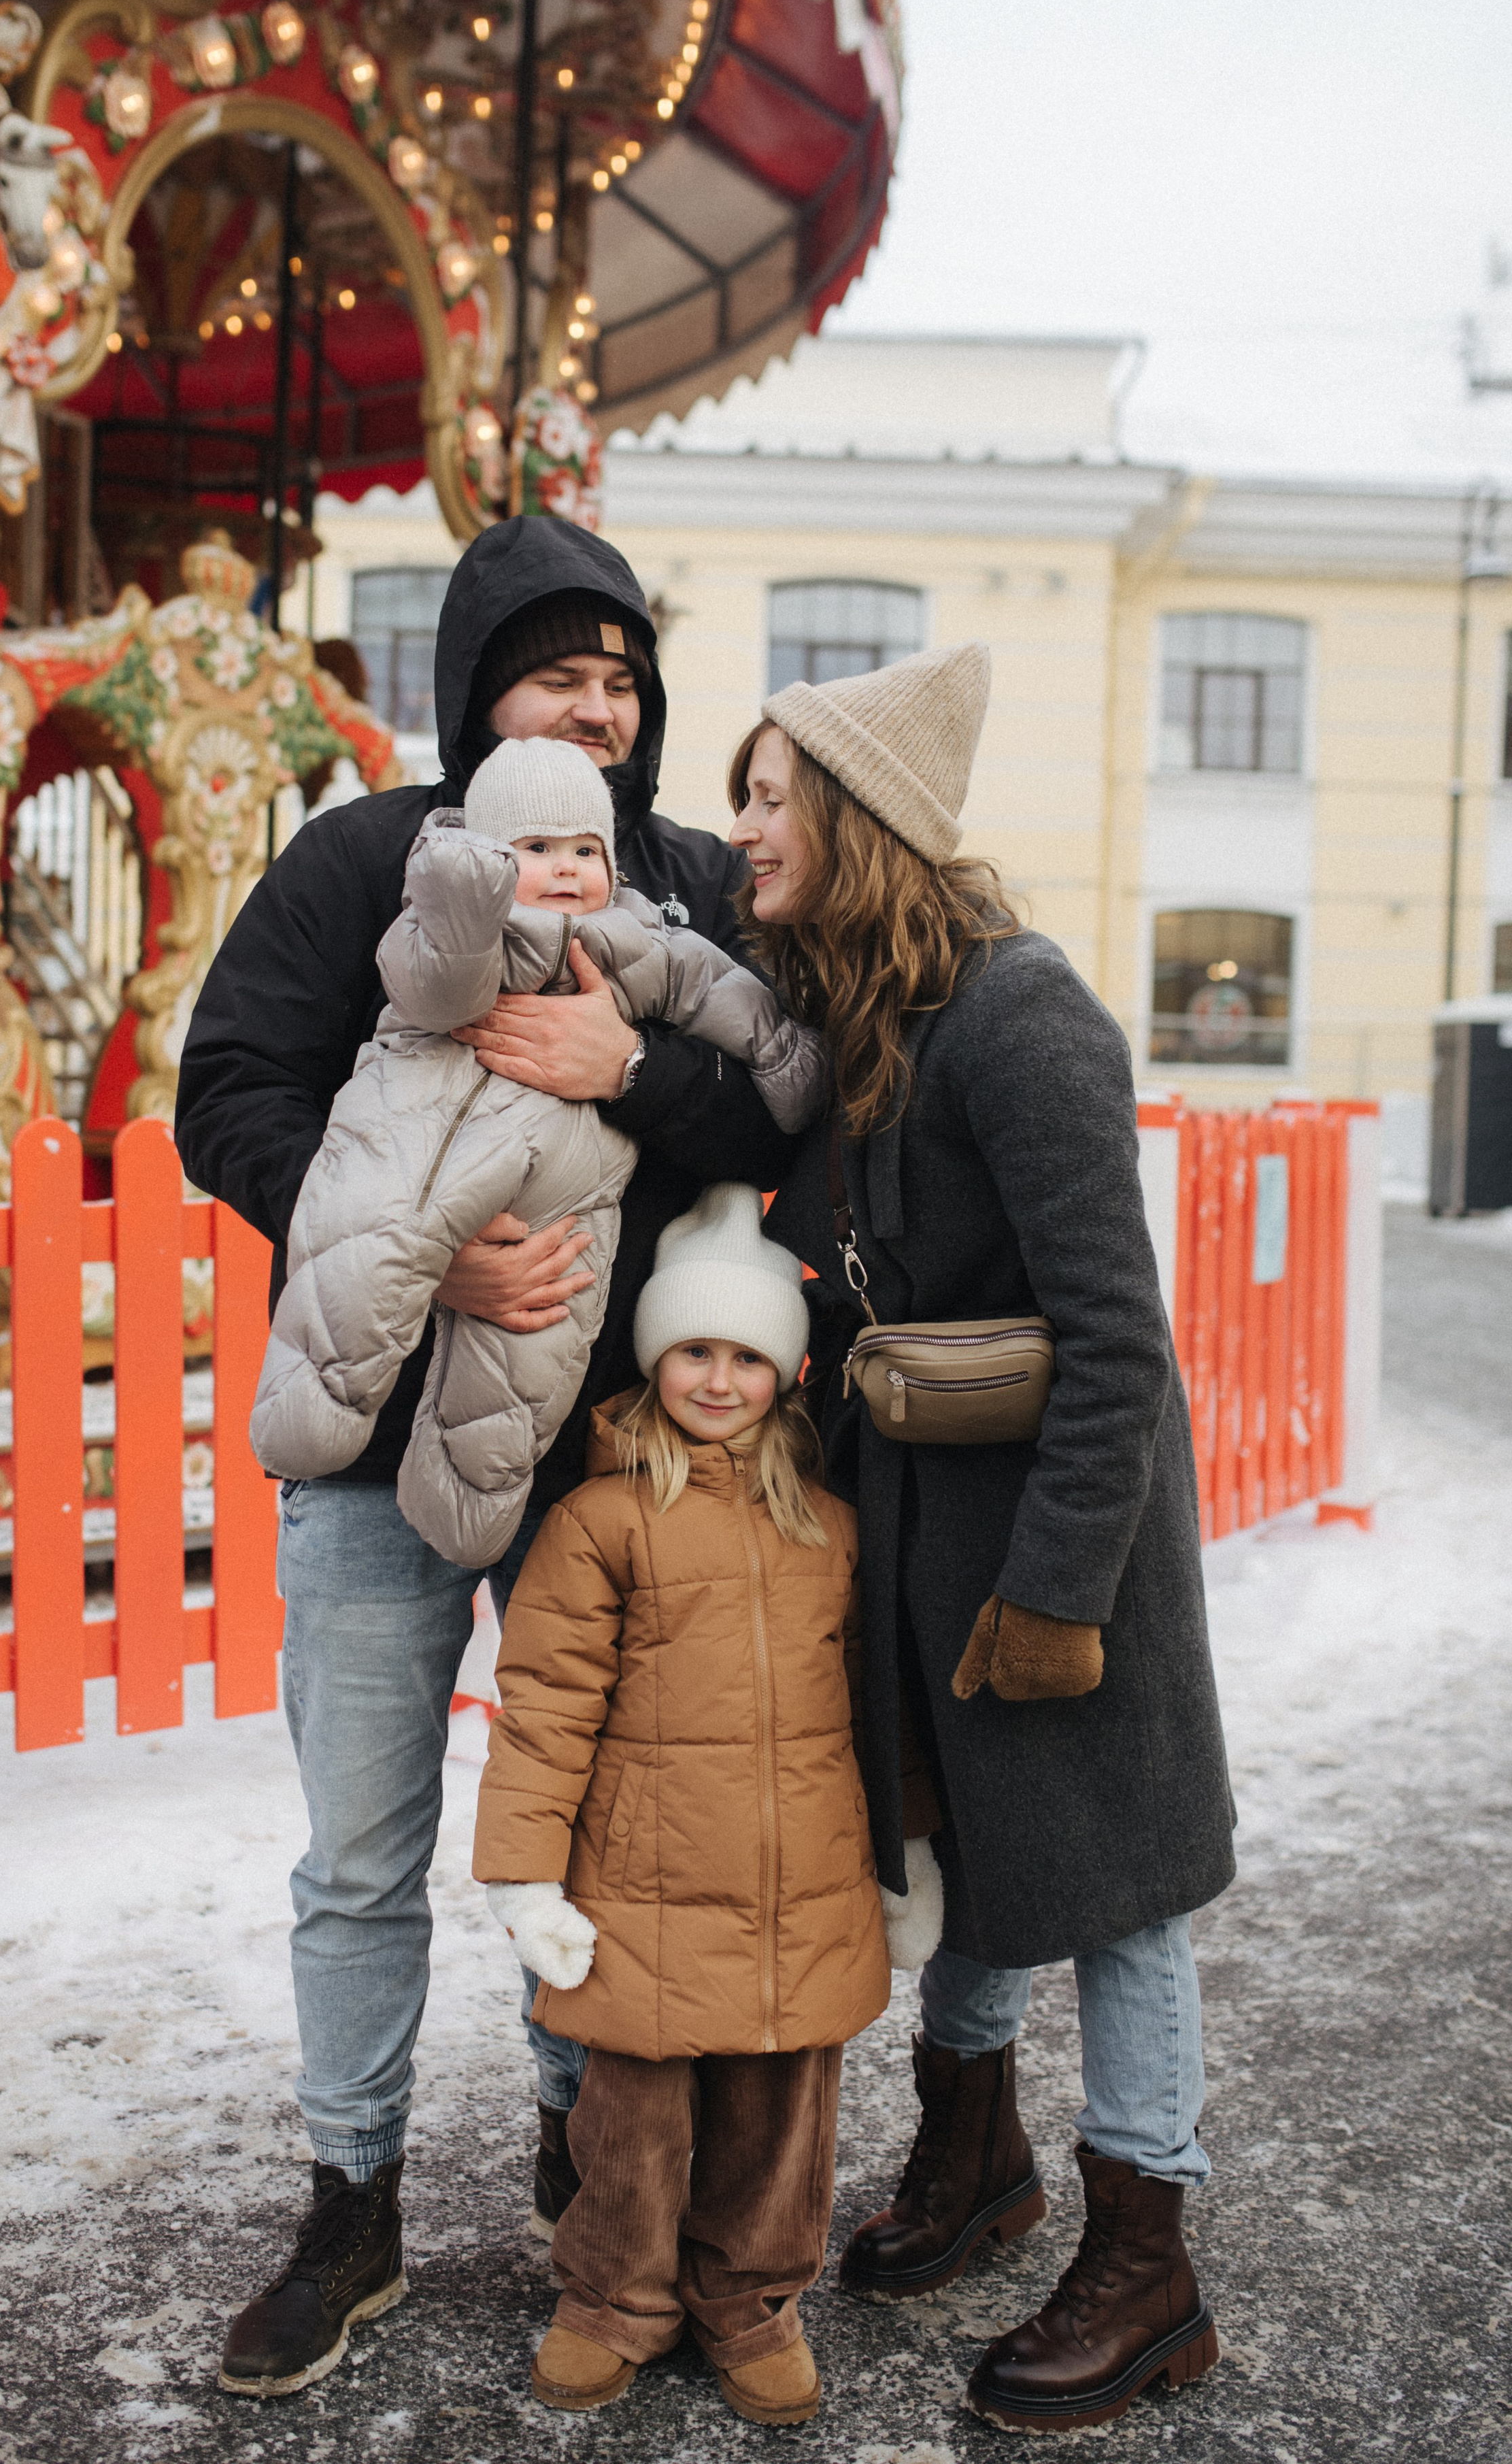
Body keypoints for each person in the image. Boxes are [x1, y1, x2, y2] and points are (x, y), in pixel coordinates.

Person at [173, 516, 796, 2398]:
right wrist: (429, 1256)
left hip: (605, 1453)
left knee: (593, 1835)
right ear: (477, 697)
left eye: (621, 679)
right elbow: (232, 1093)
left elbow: (789, 1089)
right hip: (375, 1453)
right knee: (361, 1850)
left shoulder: (677, 880)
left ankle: (587, 2166)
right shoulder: (366, 859)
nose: (596, 704)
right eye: (557, 674)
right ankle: (349, 2197)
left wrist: (638, 1075)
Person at [730, 645, 1237, 2437]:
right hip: (932, 1541)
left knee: (1116, 1897)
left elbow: (1119, 1341)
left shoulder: (1025, 1019)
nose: (744, 827)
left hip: (1059, 1556)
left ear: (860, 817)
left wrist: (1055, 1599)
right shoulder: (875, 1021)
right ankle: (979, 2154)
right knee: (979, 1864)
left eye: (772, 793)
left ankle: (1147, 2252)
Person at [473, 1185, 942, 2429]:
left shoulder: (830, 1528)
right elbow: (545, 1706)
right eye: (695, 1349)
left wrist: (907, 1857)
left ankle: (754, 2303)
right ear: (654, 1356)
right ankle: (612, 2300)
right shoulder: (598, 1523)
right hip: (646, 1886)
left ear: (788, 1373)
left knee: (779, 2119)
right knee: (631, 2115)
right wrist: (527, 1877)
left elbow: (876, 1706)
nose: (719, 1378)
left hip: (805, 1882)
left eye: (747, 1354)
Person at [249, 736, 826, 1567]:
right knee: (362, 1253)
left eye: (585, 850)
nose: (564, 869)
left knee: (529, 1347)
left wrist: (787, 1063)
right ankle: (308, 1417)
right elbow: (436, 983)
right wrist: (461, 897)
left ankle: (469, 1503)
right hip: (411, 1139)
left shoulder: (634, 936)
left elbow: (717, 992)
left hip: (557, 1178)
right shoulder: (448, 926)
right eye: (535, 850)